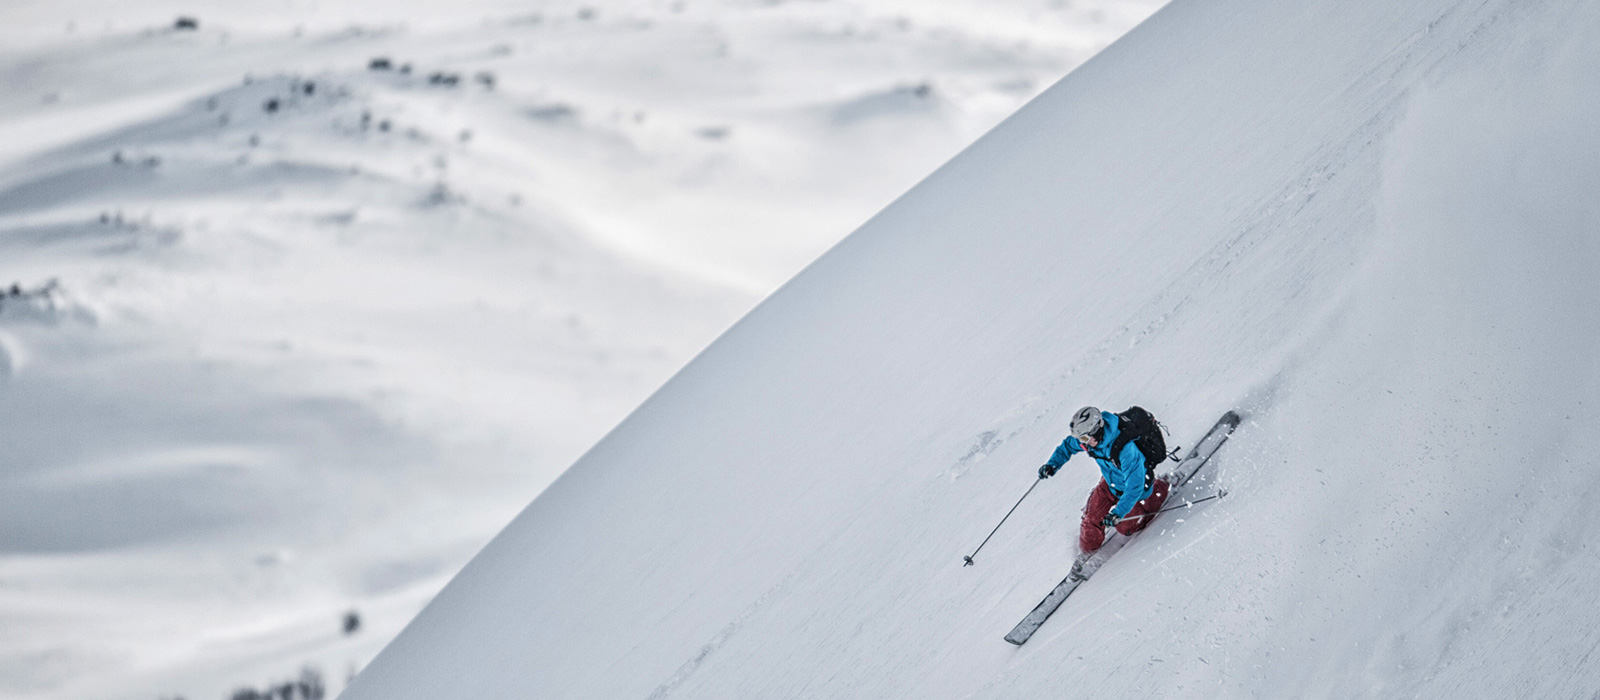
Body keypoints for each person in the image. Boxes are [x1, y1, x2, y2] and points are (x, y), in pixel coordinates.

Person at [1037, 406, 1176, 580]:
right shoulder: (1088, 442)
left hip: (1136, 489)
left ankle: (1160, 489)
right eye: (1080, 438)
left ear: (1098, 430)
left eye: (1085, 438)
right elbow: (1067, 446)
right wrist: (1052, 464)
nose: (1083, 443)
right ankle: (1088, 552)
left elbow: (1135, 486)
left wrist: (1118, 512)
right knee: (1090, 523)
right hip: (1110, 484)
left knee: (1125, 526)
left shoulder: (1126, 449)